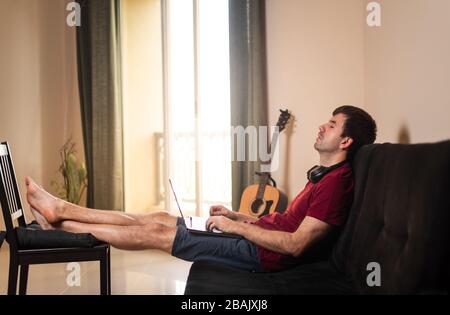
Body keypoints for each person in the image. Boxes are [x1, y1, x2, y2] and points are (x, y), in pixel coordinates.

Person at [26, 105, 377, 272]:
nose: (321, 126)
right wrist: (237, 215)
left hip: (260, 256)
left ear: (345, 140)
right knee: (161, 216)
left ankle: (62, 220)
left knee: (157, 233)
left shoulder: (337, 183)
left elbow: (296, 245)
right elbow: (285, 223)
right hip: (254, 238)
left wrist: (236, 227)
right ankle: (64, 211)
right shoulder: (322, 175)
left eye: (331, 125)